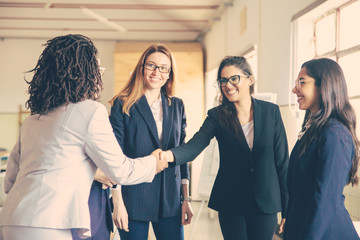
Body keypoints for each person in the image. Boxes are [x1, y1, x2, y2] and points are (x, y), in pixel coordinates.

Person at [0, 34, 168, 240]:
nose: (100, 76)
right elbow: (120, 171)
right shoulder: (90, 111)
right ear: (86, 73)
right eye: (98, 70)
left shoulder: (33, 118)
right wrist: (153, 163)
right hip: (50, 225)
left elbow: (10, 182)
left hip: (12, 221)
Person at [162, 56, 289, 240]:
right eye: (223, 80)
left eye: (234, 79)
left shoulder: (271, 112)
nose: (228, 85)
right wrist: (168, 156)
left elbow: (282, 163)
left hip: (265, 202)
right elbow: (194, 146)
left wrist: (287, 209)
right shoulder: (217, 116)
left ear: (250, 80)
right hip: (231, 201)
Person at [103, 43, 193, 240]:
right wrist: (117, 202)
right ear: (142, 67)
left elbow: (182, 153)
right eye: (151, 65)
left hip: (170, 200)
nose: (156, 72)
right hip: (133, 198)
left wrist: (185, 198)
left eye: (163, 68)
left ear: (169, 74)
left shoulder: (177, 105)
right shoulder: (123, 104)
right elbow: (114, 156)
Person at [283, 58, 360, 240]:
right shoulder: (314, 129)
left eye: (302, 82)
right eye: (296, 83)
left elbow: (325, 200)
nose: (295, 89)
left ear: (324, 86)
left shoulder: (334, 134)